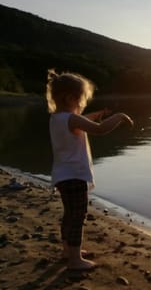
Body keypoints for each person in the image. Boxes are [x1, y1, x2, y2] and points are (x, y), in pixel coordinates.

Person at [46, 69, 133, 270]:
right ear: (70, 97)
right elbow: (100, 130)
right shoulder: (71, 119)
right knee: (78, 216)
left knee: (69, 214)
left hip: (62, 175)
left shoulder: (57, 118)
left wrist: (98, 115)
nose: (82, 103)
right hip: (74, 176)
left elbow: (81, 122)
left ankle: (68, 250)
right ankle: (75, 260)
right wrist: (120, 116)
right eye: (81, 99)